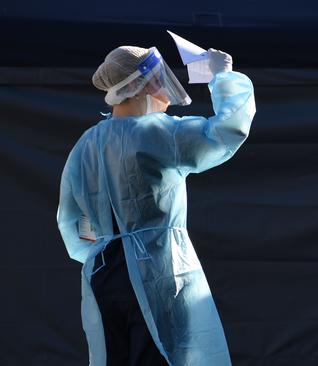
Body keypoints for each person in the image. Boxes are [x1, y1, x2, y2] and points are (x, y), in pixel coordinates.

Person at [57, 45, 256, 365]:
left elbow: (72, 222)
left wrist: (105, 251)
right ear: (141, 85)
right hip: (158, 273)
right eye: (156, 79)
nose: (163, 87)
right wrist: (224, 77)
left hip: (104, 275)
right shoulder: (158, 134)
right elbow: (225, 132)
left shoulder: (86, 145)